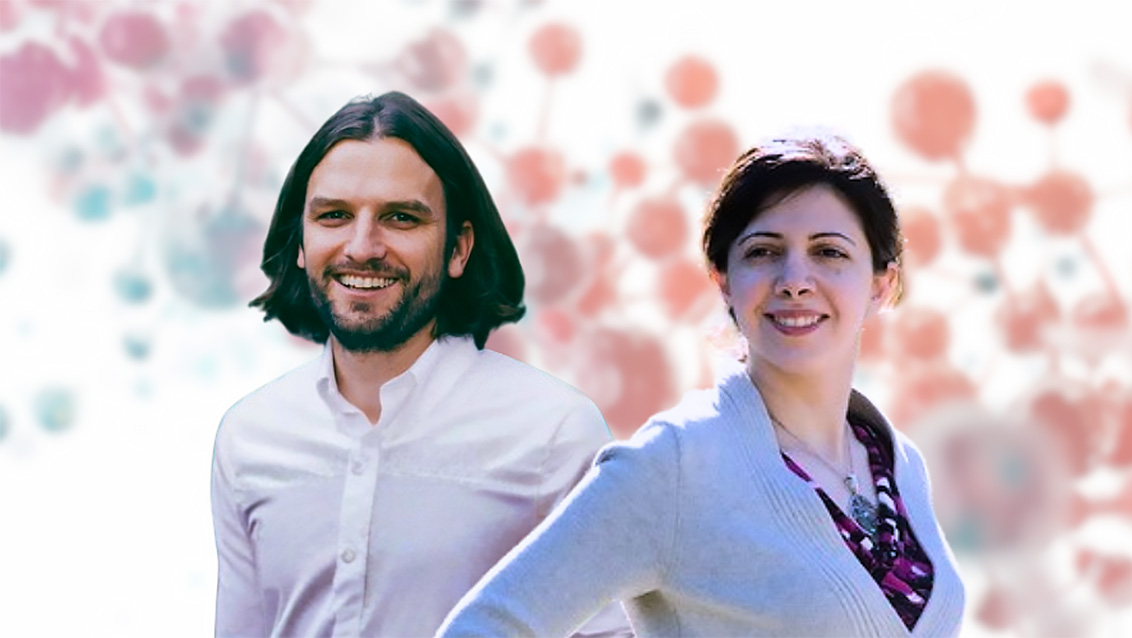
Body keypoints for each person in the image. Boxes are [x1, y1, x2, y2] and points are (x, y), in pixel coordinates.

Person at [437, 131, 967, 637]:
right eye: (763, 251)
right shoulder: (675, 464)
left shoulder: (898, 462)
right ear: (723, 280)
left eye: (829, 251)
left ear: (882, 284)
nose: (795, 280)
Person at [210, 91, 629, 637]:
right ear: (301, 243)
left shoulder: (553, 433)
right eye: (334, 216)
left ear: (458, 249)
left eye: (400, 218)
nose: (362, 246)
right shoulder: (249, 437)